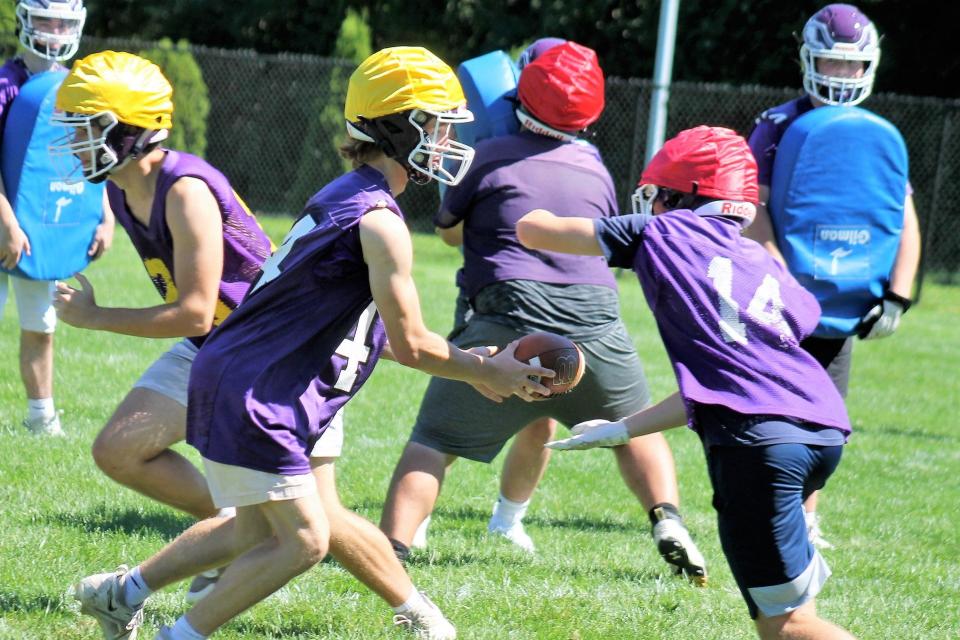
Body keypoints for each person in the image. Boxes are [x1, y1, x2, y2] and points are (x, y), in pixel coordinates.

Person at [70, 45, 552, 640]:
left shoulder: (344, 194)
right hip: (260, 386)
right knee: (302, 540)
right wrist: (488, 373)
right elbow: (415, 342)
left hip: (245, 373)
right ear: (398, 126)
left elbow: (368, 331)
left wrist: (474, 366)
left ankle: (121, 594)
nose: (450, 137)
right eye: (437, 123)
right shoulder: (378, 221)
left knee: (252, 531)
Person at [380, 41, 707, 585]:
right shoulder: (595, 165)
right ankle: (667, 519)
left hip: (509, 309)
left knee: (434, 441)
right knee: (635, 430)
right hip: (597, 318)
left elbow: (446, 231)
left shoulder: (487, 154)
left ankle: (392, 553)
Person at [518, 125, 856, 640]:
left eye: (658, 198)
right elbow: (727, 388)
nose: (652, 208)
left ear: (680, 197)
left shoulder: (662, 231)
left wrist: (535, 175)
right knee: (783, 615)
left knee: (786, 626)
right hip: (821, 431)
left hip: (760, 448)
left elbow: (534, 230)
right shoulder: (763, 262)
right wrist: (622, 429)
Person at [745, 3, 921, 548]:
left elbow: (901, 218)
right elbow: (753, 207)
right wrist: (779, 277)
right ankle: (762, 507)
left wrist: (898, 296)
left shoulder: (874, 135)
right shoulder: (776, 127)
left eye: (851, 66)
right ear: (808, 60)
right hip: (779, 295)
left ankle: (807, 515)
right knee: (767, 406)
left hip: (840, 303)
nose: (841, 76)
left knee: (825, 416)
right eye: (831, 63)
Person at [1, 0, 112, 436]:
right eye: (45, 20)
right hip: (7, 224)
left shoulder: (77, 86)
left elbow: (91, 158)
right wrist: (7, 223)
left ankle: (41, 418)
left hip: (42, 228)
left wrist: (104, 216)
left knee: (41, 326)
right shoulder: (6, 84)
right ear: (25, 21)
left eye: (62, 22)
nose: (53, 30)